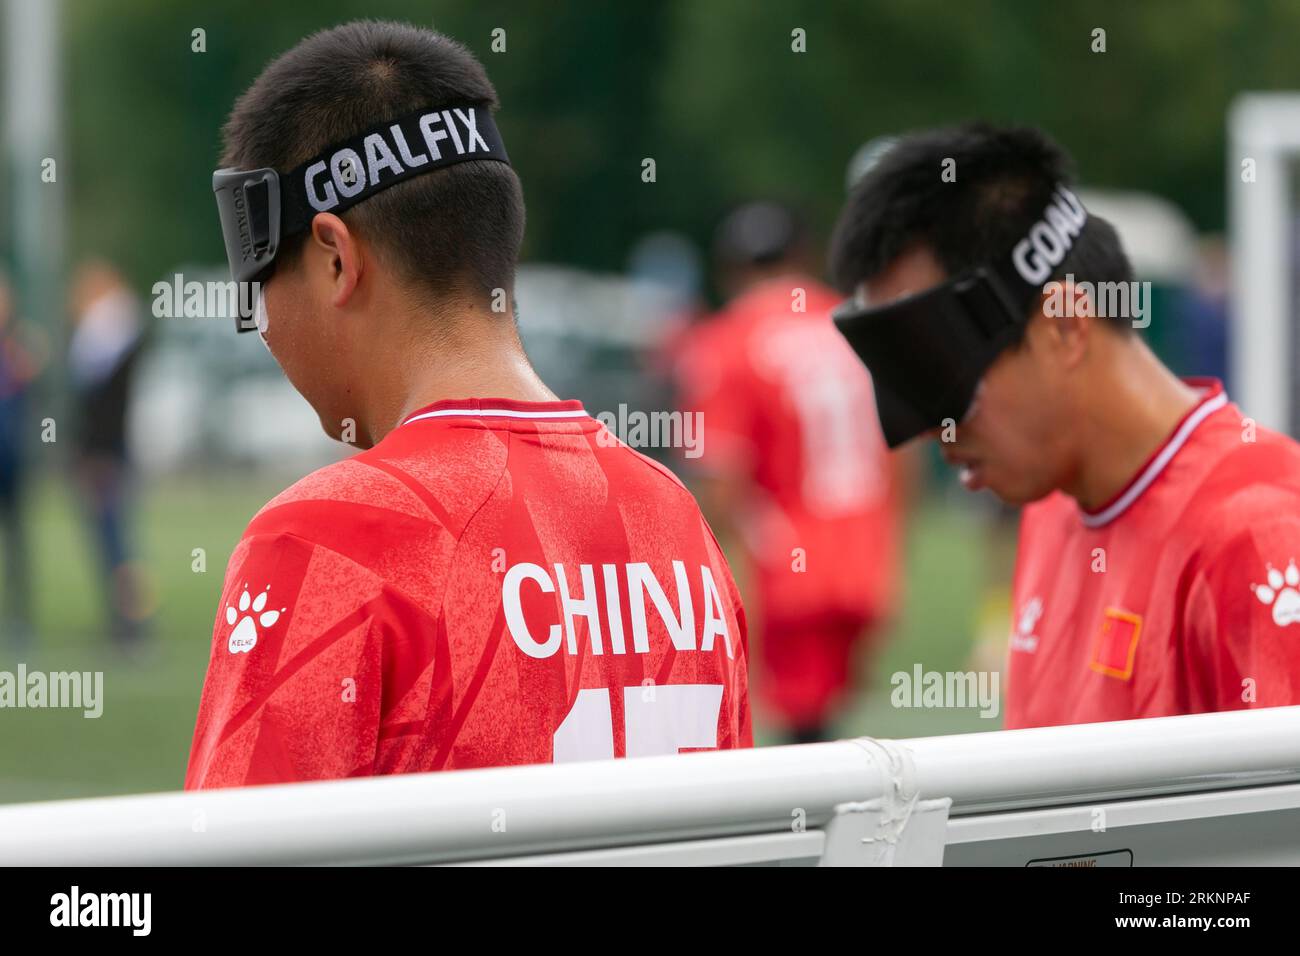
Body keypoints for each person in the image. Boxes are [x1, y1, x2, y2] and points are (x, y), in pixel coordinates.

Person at [186, 21, 750, 789]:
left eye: (260, 291)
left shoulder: (322, 541)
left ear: (334, 258)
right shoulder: (677, 521)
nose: (265, 330)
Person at [829, 122, 1300, 729]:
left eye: (940, 377)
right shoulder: (1052, 507)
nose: (928, 430)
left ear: (1065, 327)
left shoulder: (1264, 531)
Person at [676, 201, 903, 743]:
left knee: (788, 744)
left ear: (731, 270)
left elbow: (721, 478)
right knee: (823, 729)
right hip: (864, 557)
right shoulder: (851, 324)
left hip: (789, 567)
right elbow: (904, 452)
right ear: (803, 256)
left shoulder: (729, 341)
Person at [68, 260, 150, 651]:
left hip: (106, 454)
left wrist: (93, 453)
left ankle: (131, 623)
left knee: (115, 540)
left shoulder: (108, 335)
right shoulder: (113, 333)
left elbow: (102, 408)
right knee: (115, 539)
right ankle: (126, 620)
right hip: (110, 451)